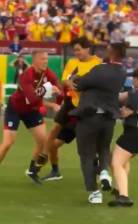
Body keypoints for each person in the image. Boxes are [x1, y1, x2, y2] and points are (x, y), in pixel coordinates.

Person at [66, 43, 127, 204]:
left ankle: (94, 192)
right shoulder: (122, 71)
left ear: (112, 53)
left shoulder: (100, 69)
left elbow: (80, 83)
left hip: (89, 117)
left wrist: (72, 79)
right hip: (109, 119)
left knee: (86, 154)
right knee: (104, 148)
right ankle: (105, 173)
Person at [38, 37, 102, 182]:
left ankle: (99, 173)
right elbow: (65, 79)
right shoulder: (73, 62)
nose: (76, 53)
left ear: (87, 48)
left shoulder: (98, 63)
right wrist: (71, 84)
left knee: (88, 145)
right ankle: (51, 166)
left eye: (78, 49)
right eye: (75, 50)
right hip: (70, 104)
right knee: (54, 134)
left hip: (86, 110)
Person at [0, 50, 61, 184]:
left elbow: (57, 85)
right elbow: (32, 98)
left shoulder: (47, 73)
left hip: (31, 111)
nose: (46, 61)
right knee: (8, 143)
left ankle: (32, 170)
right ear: (34, 61)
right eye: (42, 59)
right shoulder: (26, 76)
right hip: (15, 108)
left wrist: (56, 93)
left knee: (43, 141)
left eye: (46, 59)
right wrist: (48, 92)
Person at [108, 64, 138, 207]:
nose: (132, 80)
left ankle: (123, 196)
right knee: (123, 161)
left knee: (115, 162)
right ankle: (119, 189)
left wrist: (113, 109)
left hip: (135, 133)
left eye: (134, 78)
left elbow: (124, 113)